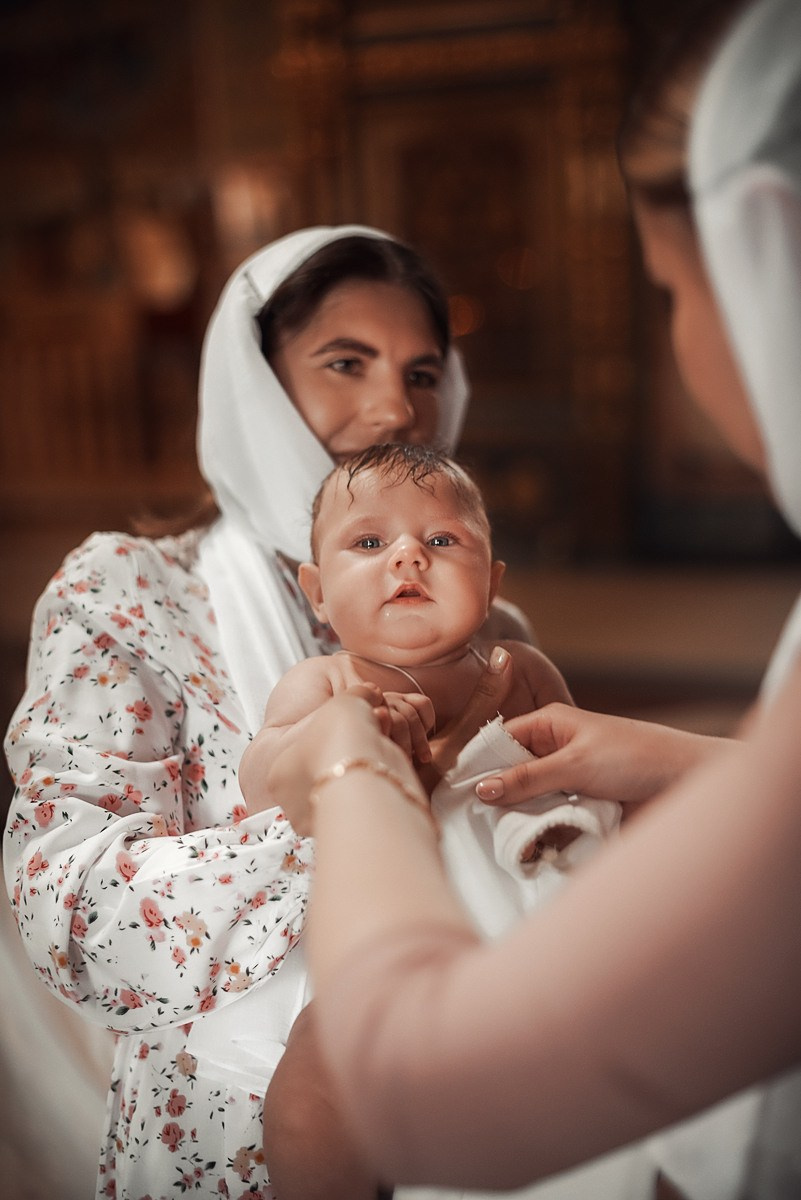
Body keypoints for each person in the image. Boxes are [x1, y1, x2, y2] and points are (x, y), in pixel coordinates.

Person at [260, 1, 801, 1196]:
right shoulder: (290, 656)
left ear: (766, 260)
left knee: (319, 1098)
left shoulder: (509, 659)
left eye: (667, 292)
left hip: (464, 997)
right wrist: (693, 761)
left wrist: (351, 768)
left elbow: (417, 1085)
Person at [3, 224, 530, 1200]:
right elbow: (68, 914)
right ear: (252, 383)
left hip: (461, 1106)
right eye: (345, 361)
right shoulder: (130, 594)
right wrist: (351, 805)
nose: (393, 409)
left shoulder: (476, 615)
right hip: (223, 1137)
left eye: (421, 373)